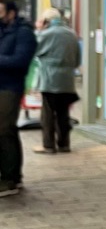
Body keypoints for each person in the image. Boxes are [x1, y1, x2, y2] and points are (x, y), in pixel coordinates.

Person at [0, 0, 37, 197]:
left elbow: (20, 61)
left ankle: (9, 180)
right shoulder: (3, 30)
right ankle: (13, 176)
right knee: (7, 131)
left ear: (11, 13)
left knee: (4, 130)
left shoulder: (24, 33)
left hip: (10, 88)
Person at [33, 8, 81, 155]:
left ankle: (48, 145)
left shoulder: (46, 34)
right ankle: (64, 144)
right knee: (63, 113)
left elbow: (34, 50)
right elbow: (78, 60)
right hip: (67, 80)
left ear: (46, 21)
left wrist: (39, 30)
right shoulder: (71, 34)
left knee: (47, 114)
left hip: (50, 78)